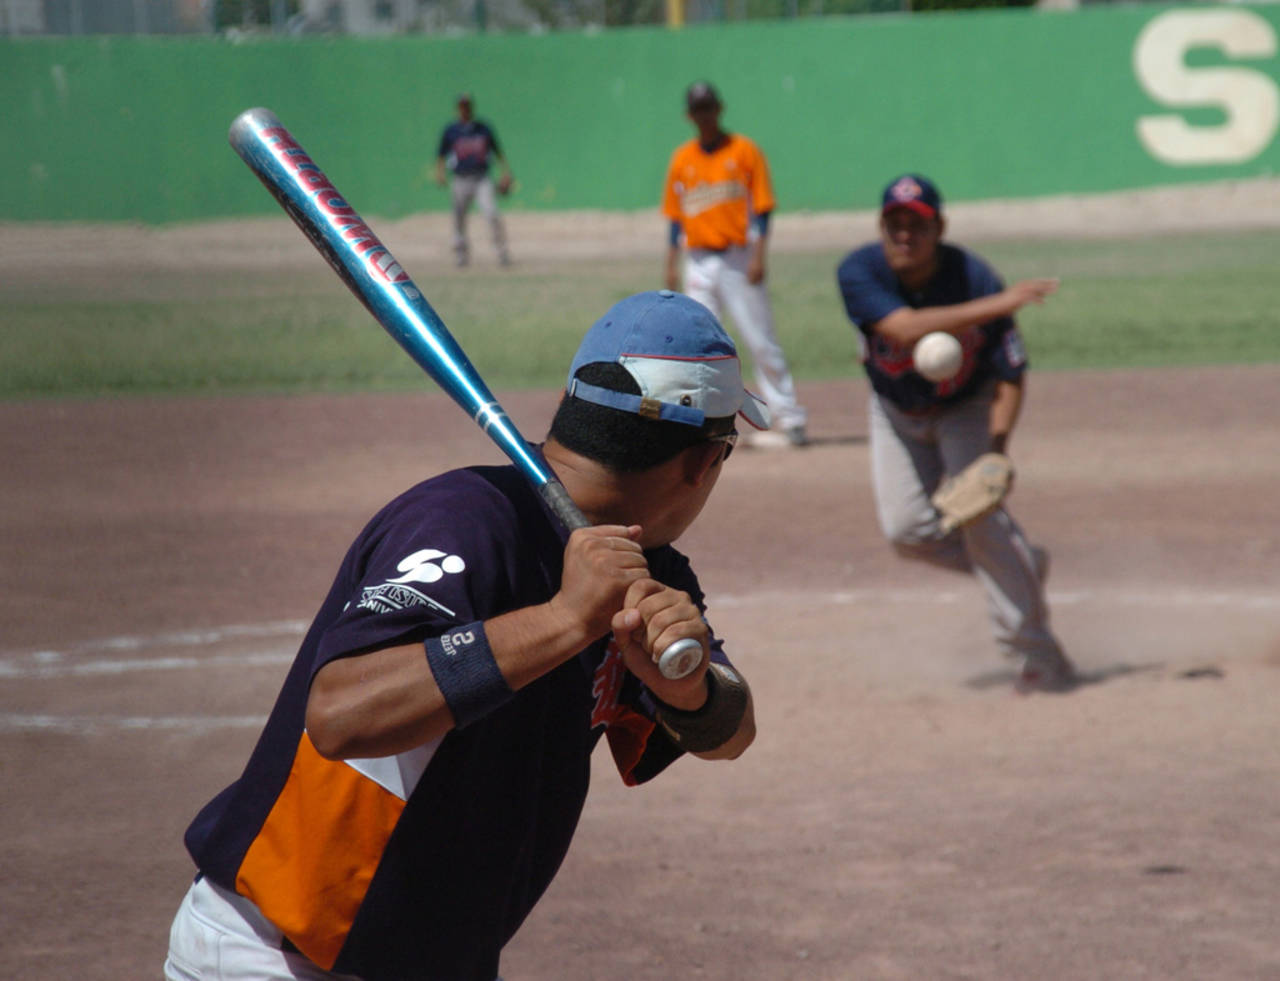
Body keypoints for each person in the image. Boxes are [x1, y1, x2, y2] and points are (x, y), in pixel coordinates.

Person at [163, 289, 763, 981]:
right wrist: (566, 621)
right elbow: (340, 711)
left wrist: (688, 693)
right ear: (702, 461)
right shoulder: (465, 521)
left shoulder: (648, 568)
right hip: (277, 960)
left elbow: (731, 730)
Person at [835, 173, 1077, 693]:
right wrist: (1003, 303)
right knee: (909, 532)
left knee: (982, 523)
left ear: (939, 228)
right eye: (894, 224)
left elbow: (1011, 372)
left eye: (917, 225)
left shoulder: (974, 276)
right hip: (896, 411)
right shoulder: (860, 271)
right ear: (881, 227)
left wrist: (997, 451)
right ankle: (1023, 565)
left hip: (965, 407)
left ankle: (1038, 657)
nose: (905, 235)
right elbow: (900, 330)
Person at [661, 80, 809, 449]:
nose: (704, 115)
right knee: (700, 344)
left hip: (738, 258)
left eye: (709, 107)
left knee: (760, 339)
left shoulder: (744, 151)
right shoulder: (682, 158)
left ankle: (789, 418)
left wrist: (759, 255)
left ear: (720, 109)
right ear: (689, 116)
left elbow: (762, 208)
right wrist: (671, 263)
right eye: (698, 110)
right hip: (696, 262)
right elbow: (675, 218)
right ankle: (704, 423)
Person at [434, 92, 512, 268]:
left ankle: (502, 253)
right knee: (459, 218)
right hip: (460, 179)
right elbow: (441, 154)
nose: (465, 109)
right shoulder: (451, 131)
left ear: (471, 107)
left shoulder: (483, 129)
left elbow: (498, 152)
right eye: (462, 106)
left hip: (481, 179)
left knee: (491, 214)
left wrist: (505, 173)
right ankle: (461, 255)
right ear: (458, 108)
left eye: (467, 105)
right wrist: (439, 173)